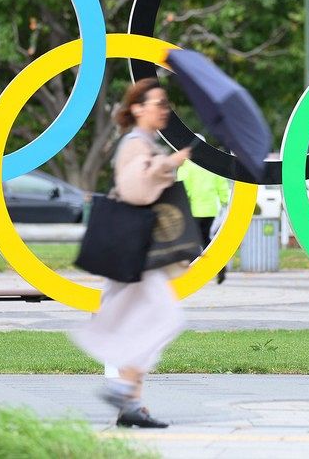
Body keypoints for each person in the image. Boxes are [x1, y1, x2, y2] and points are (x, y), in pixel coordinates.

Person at [72, 78, 192, 429]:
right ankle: (124, 389)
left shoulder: (145, 142)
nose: (163, 109)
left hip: (138, 249)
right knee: (165, 318)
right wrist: (168, 164)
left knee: (139, 319)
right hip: (135, 249)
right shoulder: (135, 143)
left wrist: (169, 163)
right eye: (157, 102)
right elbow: (135, 190)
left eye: (165, 103)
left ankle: (130, 402)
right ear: (138, 108)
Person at [177, 135, 230, 284]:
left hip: (193, 210)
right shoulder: (211, 165)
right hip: (210, 209)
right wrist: (224, 200)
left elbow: (182, 187)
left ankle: (194, 272)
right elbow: (221, 183)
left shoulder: (187, 165)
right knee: (205, 240)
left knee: (193, 241)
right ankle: (219, 266)